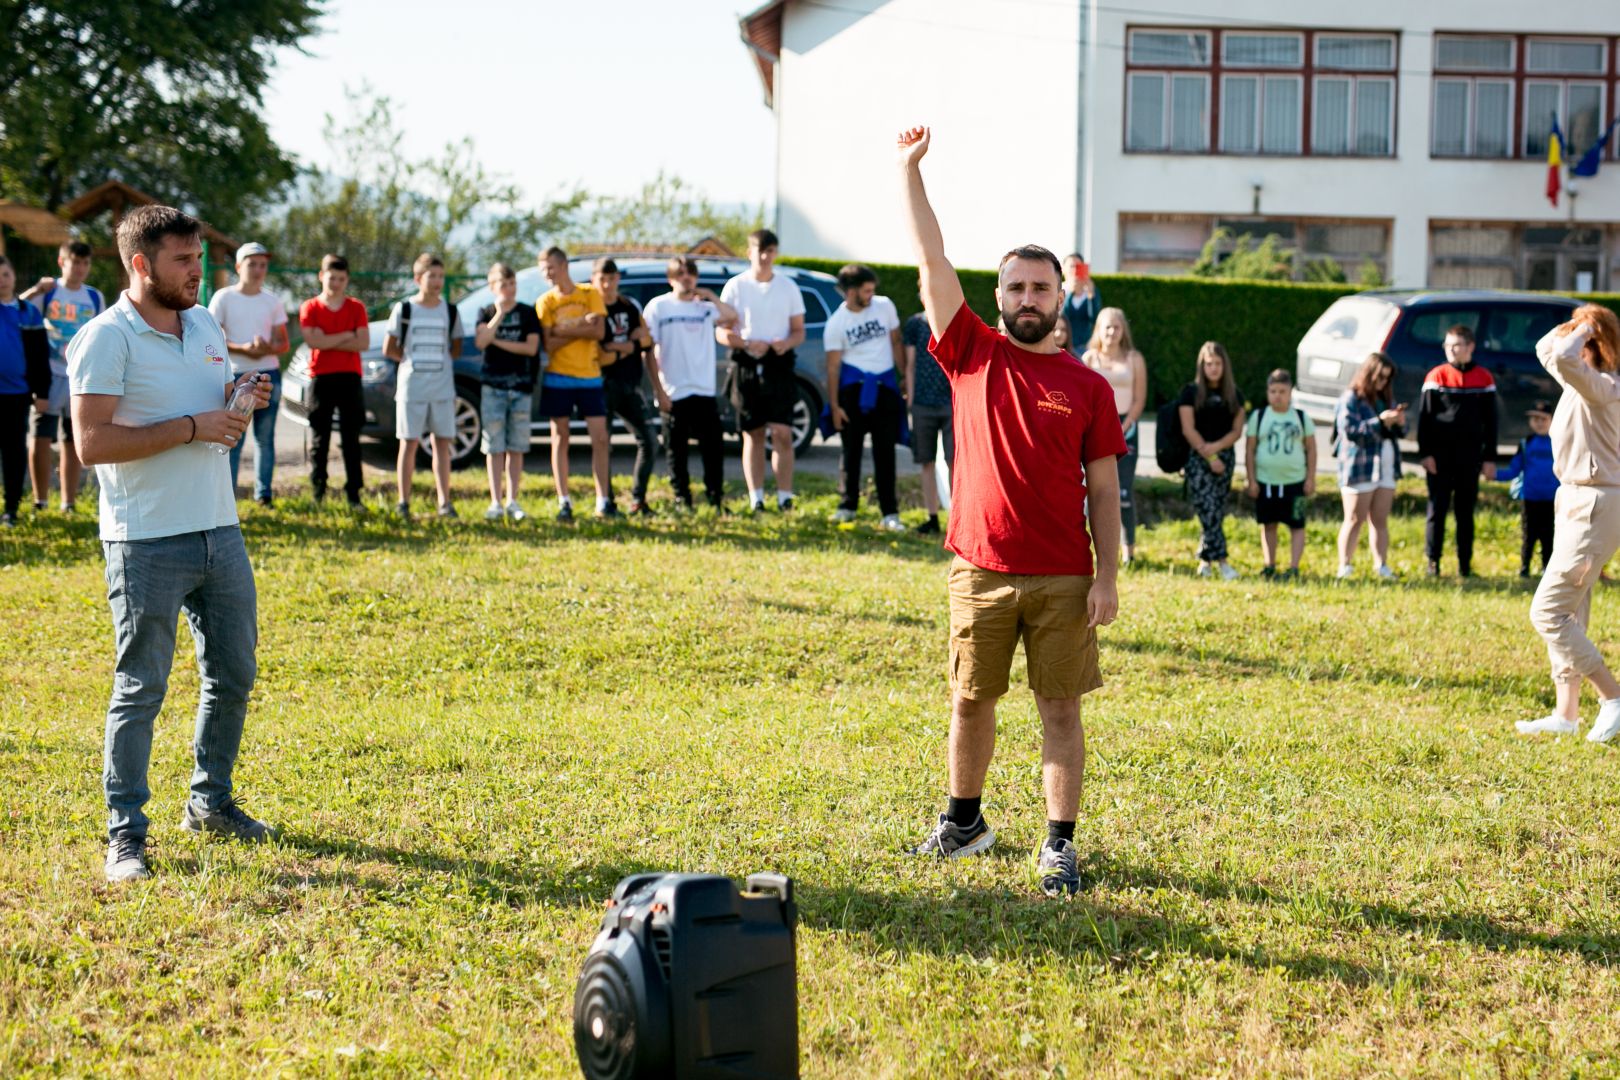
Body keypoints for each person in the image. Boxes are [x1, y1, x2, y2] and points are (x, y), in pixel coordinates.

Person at [897, 125, 1126, 898]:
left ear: (1062, 297)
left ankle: (1058, 844)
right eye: (1017, 288)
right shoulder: (969, 352)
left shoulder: (1090, 387)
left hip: (1064, 576)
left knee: (1059, 709)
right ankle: (964, 822)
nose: (1028, 299)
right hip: (980, 570)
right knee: (970, 699)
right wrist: (910, 173)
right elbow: (931, 262)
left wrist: (1107, 579)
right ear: (999, 297)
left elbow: (1103, 493)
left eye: (1042, 287)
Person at [66, 205, 278, 883]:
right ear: (140, 264)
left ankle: (209, 802)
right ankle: (124, 835)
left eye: (198, 259)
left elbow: (212, 409)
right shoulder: (106, 338)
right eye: (183, 261)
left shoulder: (206, 323)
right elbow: (92, 443)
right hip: (145, 540)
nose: (197, 271)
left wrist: (239, 398)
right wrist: (193, 425)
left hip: (220, 529)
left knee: (234, 675)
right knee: (140, 688)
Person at [1518, 307, 1620, 741]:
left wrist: (1584, 329)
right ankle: (1566, 713)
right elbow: (1547, 350)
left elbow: (1560, 357)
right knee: (1572, 610)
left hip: (1597, 502)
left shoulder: (1605, 387)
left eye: (1582, 337)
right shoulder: (1583, 382)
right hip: (1575, 499)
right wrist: (1577, 326)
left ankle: (1613, 698)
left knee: (1548, 611)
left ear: (1594, 345)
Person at [719, 229, 806, 514]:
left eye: (771, 251)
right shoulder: (735, 286)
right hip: (745, 363)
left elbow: (798, 331)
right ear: (750, 253)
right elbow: (721, 331)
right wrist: (745, 342)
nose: (766, 257)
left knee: (781, 432)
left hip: (778, 365)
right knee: (753, 433)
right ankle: (756, 497)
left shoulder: (788, 287)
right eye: (761, 251)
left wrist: (785, 343)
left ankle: (785, 497)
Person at [643, 257, 738, 510]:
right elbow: (648, 350)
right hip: (674, 390)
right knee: (676, 449)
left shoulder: (704, 308)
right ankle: (682, 498)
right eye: (680, 274)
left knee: (713, 449)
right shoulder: (659, 307)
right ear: (671, 278)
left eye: (691, 274)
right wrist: (659, 391)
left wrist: (709, 295)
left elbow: (731, 316)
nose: (687, 278)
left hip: (704, 389)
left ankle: (716, 497)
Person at [21, 239, 103, 512]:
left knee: (73, 440)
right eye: (74, 262)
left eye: (85, 263)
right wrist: (35, 289)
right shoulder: (49, 292)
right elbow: (13, 308)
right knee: (41, 437)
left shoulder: (94, 297)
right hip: (48, 376)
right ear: (62, 262)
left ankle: (69, 502)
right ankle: (40, 500)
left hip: (80, 378)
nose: (80, 268)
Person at [824, 263, 905, 531]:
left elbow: (895, 341)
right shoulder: (836, 324)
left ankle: (890, 512)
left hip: (883, 387)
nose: (871, 294)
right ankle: (847, 506)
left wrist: (904, 375)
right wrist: (834, 406)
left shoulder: (885, 306)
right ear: (850, 291)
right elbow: (833, 367)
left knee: (885, 452)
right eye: (866, 290)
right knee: (851, 452)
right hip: (853, 391)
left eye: (872, 290)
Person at [209, 242, 289, 507]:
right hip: (236, 375)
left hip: (268, 373)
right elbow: (212, 338)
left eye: (263, 264)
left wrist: (266, 348)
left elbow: (283, 344)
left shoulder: (273, 301)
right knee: (233, 437)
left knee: (265, 438)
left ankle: (263, 495)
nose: (258, 270)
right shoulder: (223, 297)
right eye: (252, 263)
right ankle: (227, 496)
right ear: (238, 266)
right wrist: (243, 348)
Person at [383, 252, 461, 520]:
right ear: (418, 278)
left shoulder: (449, 311)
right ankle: (403, 501)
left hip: (442, 389)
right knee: (409, 443)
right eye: (432, 276)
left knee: (442, 444)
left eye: (441, 276)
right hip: (412, 388)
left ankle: (444, 501)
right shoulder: (404, 310)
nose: (437, 281)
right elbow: (389, 347)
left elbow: (456, 346)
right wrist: (410, 362)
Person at [537, 247, 613, 522]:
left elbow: (599, 331)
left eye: (551, 268)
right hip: (558, 377)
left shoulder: (589, 294)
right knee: (560, 438)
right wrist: (580, 327)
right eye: (544, 270)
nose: (547, 274)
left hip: (589, 376)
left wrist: (563, 329)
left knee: (600, 438)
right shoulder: (545, 302)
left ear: (563, 265)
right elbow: (549, 343)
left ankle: (603, 500)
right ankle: (564, 500)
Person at [1418, 324, 1497, 577]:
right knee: (1436, 511)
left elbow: (1491, 422)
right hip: (1440, 458)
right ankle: (1433, 561)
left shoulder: (1484, 378)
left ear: (1470, 347)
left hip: (1469, 457)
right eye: (1447, 345)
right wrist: (1425, 453)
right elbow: (1424, 419)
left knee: (1465, 513)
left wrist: (1489, 458)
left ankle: (1465, 564)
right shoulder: (1436, 376)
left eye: (1456, 345)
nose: (1451, 350)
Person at [297, 254, 370, 508]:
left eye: (341, 279)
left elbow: (363, 343)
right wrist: (347, 335)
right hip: (321, 377)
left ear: (347, 279)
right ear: (321, 276)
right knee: (320, 439)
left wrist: (329, 338)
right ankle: (318, 491)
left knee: (351, 439)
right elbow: (314, 341)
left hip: (350, 377)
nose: (336, 283)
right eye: (331, 278)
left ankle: (354, 495)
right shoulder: (310, 307)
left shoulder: (356, 307)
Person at [474, 262, 541, 521]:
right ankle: (495, 501)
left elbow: (530, 348)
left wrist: (497, 342)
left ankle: (513, 500)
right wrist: (499, 316)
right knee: (494, 445)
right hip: (493, 387)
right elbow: (481, 341)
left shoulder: (527, 313)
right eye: (503, 285)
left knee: (517, 445)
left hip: (521, 387)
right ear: (492, 287)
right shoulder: (486, 312)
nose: (509, 289)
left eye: (512, 284)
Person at [1081, 308, 1147, 564]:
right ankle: (1091, 548)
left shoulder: (1134, 359)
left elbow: (1140, 397)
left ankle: (1128, 549)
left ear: (1123, 331)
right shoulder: (1088, 359)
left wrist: (1126, 423)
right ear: (1099, 329)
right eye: (1107, 327)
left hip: (1126, 426)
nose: (1111, 332)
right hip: (1095, 426)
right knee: (1092, 489)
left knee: (1124, 491)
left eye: (1116, 328)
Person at [1334, 352, 1406, 580]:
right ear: (1368, 374)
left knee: (1380, 519)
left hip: (1385, 466)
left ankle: (1381, 565)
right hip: (1360, 465)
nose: (1382, 383)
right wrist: (1380, 421)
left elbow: (1399, 433)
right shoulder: (1352, 398)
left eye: (1386, 379)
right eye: (1379, 377)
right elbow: (1350, 431)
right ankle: (1344, 565)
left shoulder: (1387, 398)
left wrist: (1399, 422)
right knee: (1355, 518)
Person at [594, 257, 658, 516]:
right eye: (602, 279)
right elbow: (601, 353)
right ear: (595, 279)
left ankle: (638, 499)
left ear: (618, 279)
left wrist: (622, 346)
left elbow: (646, 339)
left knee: (650, 441)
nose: (608, 284)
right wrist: (627, 346)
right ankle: (606, 500)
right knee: (602, 443)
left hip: (630, 385)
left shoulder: (628, 307)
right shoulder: (594, 309)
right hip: (603, 384)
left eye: (612, 279)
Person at [1177, 342, 1246, 579]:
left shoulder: (1234, 395)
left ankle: (1205, 561)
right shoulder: (1190, 392)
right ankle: (1223, 562)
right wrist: (1208, 454)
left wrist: (1216, 450)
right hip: (1198, 457)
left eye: (1217, 364)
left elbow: (1237, 431)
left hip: (1224, 455)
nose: (1213, 368)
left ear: (1224, 365)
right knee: (1206, 507)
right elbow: (1188, 428)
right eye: (1209, 364)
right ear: (1202, 365)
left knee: (1216, 509)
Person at [1243, 370, 1317, 580]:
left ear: (1290, 392)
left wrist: (1310, 478)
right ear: (1267, 392)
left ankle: (1294, 567)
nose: (1277, 396)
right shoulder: (1259, 417)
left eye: (1282, 391)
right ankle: (1270, 564)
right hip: (1266, 482)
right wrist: (1252, 479)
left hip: (1295, 481)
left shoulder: (1301, 418)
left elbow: (1311, 448)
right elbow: (1250, 449)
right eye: (1273, 391)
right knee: (1268, 524)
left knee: (1297, 524)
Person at [0, 256, 47, 526]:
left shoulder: (29, 313)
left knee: (14, 453)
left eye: (5, 274)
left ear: (14, 276)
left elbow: (39, 357)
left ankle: (11, 509)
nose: (1, 280)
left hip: (17, 396)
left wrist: (42, 393)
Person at [902, 310, 953, 535]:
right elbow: (910, 365)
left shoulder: (952, 320)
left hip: (951, 402)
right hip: (923, 403)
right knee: (926, 461)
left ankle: (956, 519)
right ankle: (932, 517)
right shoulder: (914, 324)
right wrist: (912, 401)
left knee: (954, 462)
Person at [1497, 400, 1559, 578]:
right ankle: (1524, 567)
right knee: (1529, 534)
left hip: (1552, 499)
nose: (1539, 422)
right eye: (1535, 419)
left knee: (1549, 535)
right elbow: (1514, 469)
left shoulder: (1559, 443)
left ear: (1552, 420)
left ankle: (1547, 568)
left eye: (1543, 418)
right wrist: (1494, 474)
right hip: (1530, 498)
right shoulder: (1526, 444)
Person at [1061, 253, 1101, 352]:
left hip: (1086, 346)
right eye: (1071, 266)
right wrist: (1070, 294)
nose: (1074, 269)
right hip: (1063, 344)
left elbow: (1096, 318)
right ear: (1064, 268)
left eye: (1078, 266)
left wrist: (1091, 296)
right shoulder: (1060, 289)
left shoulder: (1091, 289)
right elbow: (1061, 317)